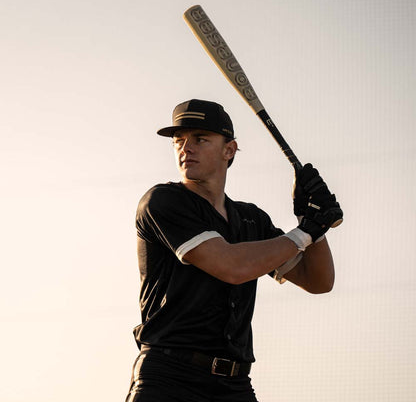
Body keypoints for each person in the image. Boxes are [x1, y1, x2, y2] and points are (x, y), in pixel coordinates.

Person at [125, 99, 343, 402]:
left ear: (229, 150)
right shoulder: (163, 201)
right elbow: (232, 268)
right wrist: (306, 231)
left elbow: (319, 281)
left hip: (234, 385)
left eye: (200, 139)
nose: (186, 148)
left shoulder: (252, 219)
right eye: (179, 140)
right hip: (170, 377)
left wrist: (312, 224)